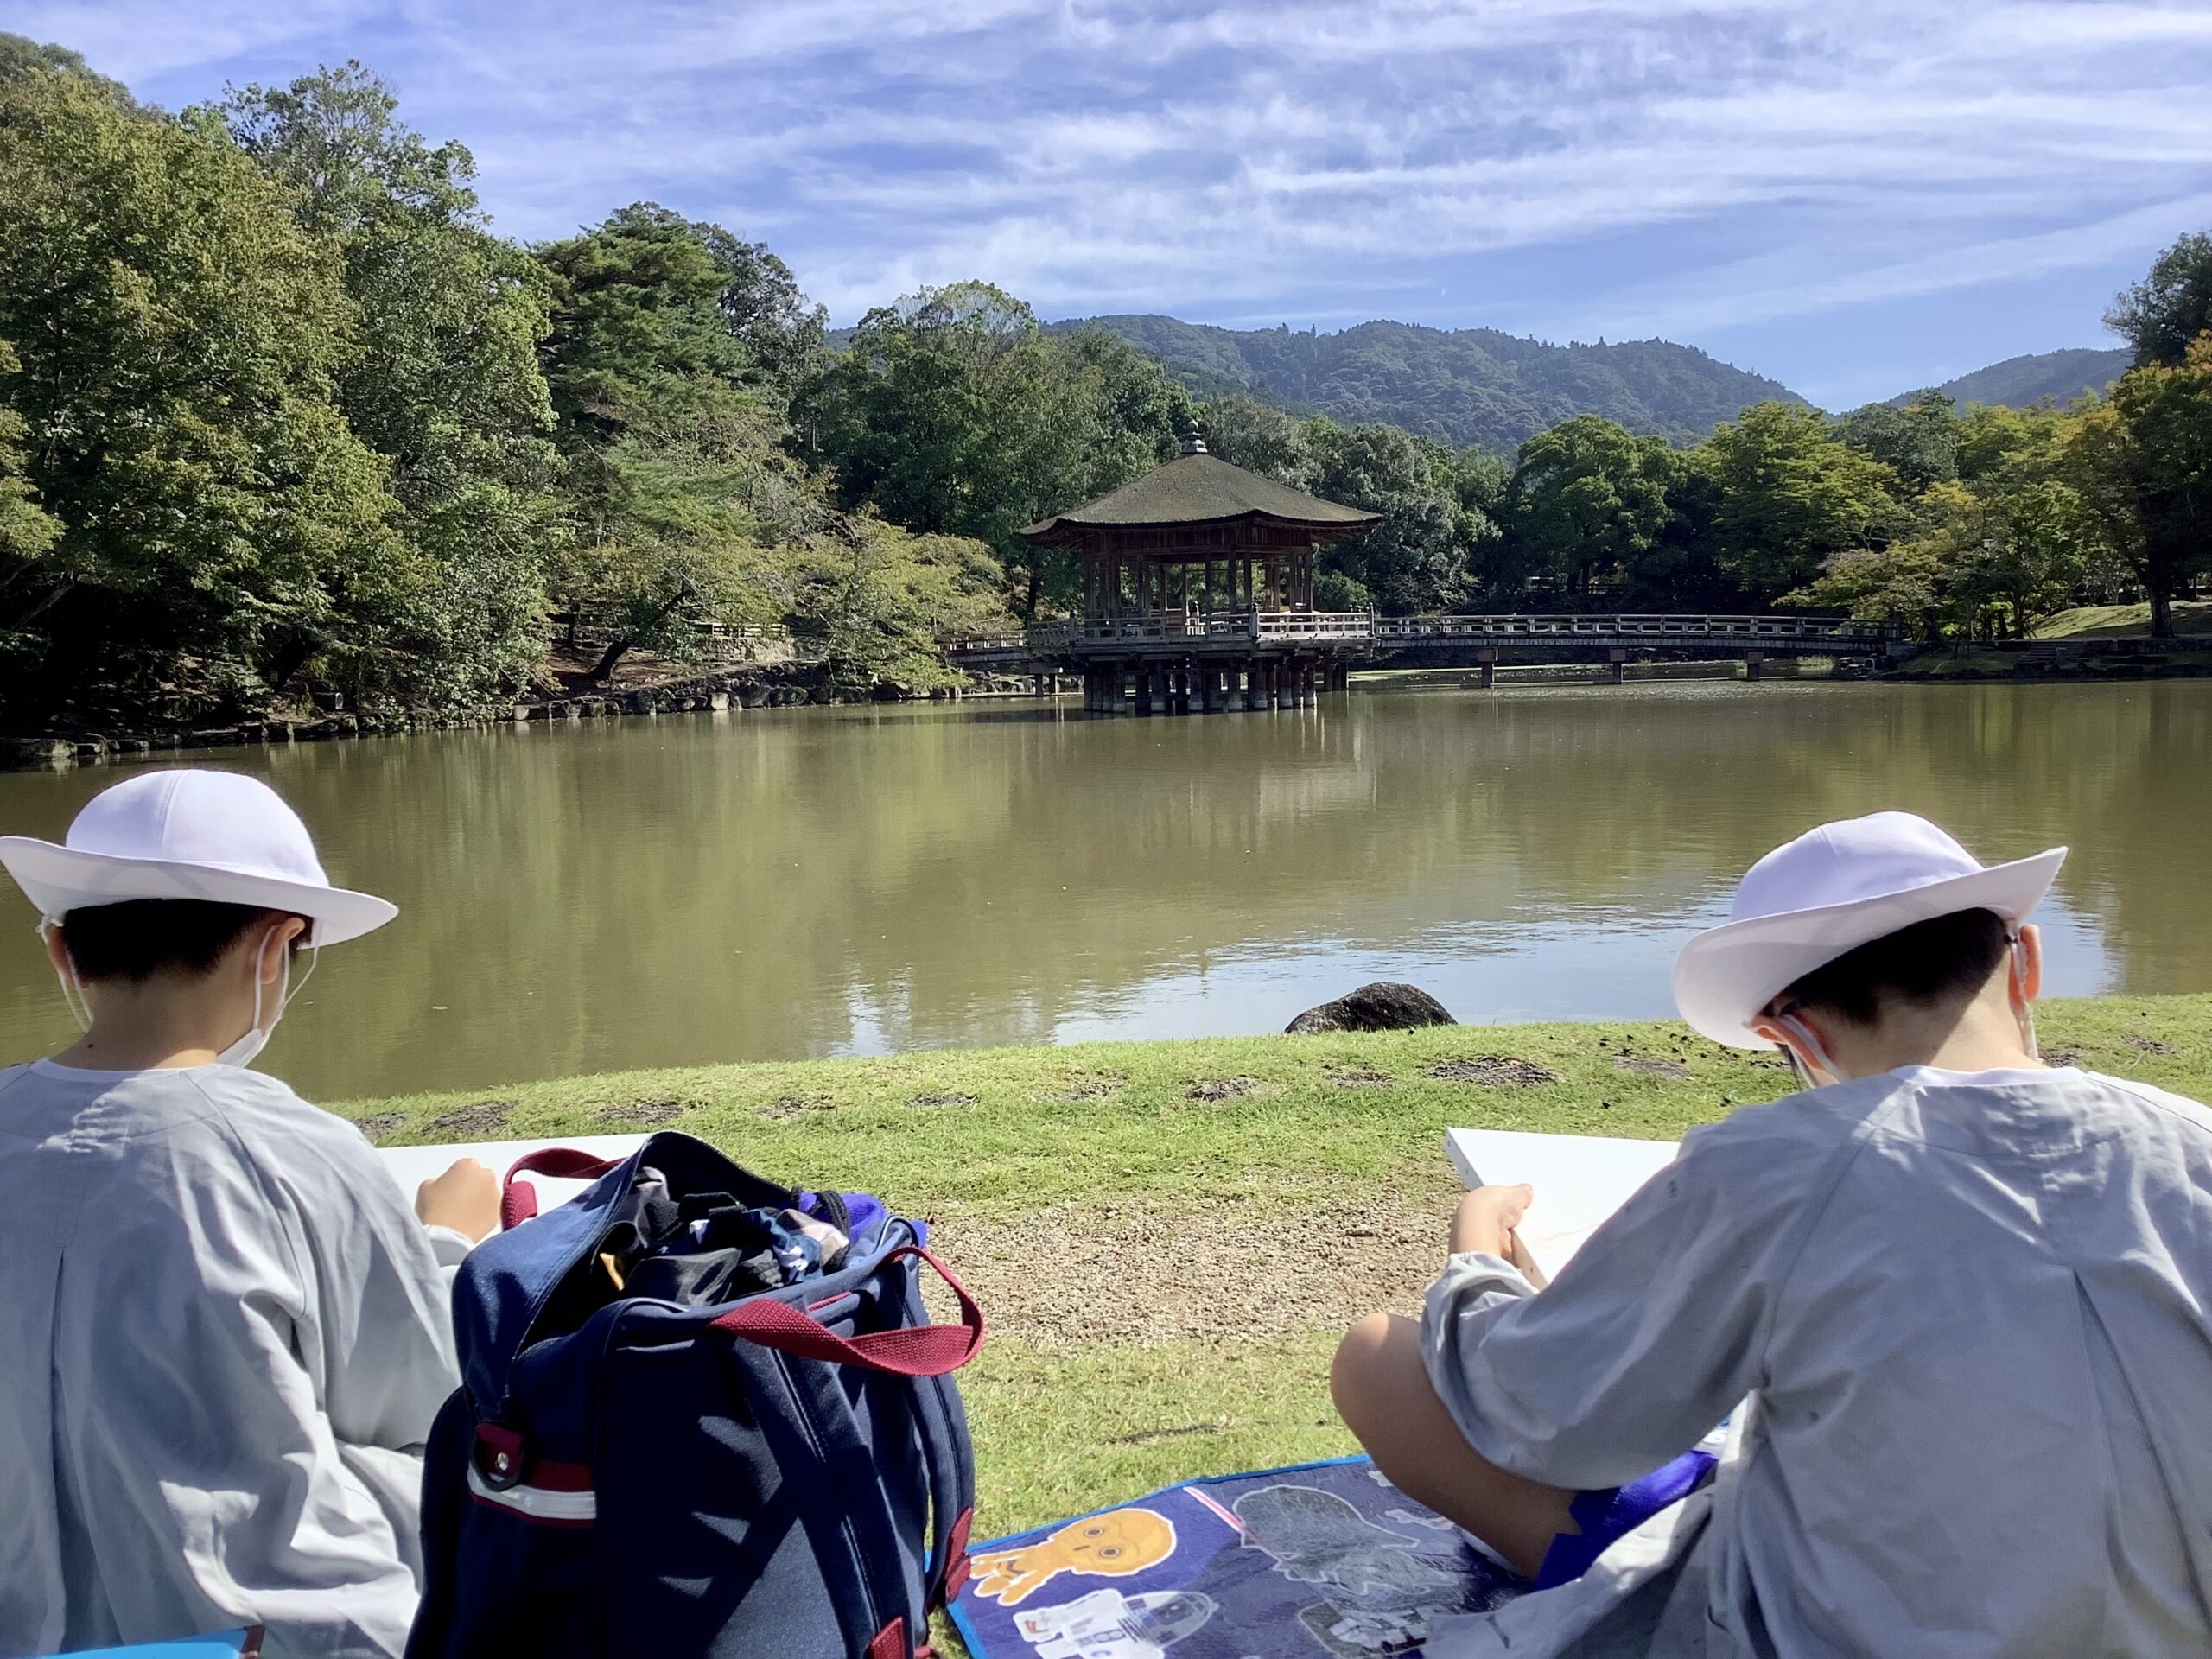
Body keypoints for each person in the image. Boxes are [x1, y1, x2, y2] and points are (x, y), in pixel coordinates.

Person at [1332, 810, 2212, 1656]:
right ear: (2024, 960)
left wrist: (1477, 1259)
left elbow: (1547, 1418)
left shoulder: (1779, 1164)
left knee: (1379, 1361)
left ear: (1788, 1030)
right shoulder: (2192, 1140)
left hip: (1846, 1633)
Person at [0, 769, 502, 1657]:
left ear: (59, 951)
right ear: (275, 949)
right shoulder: (294, 1154)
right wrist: (446, 1247)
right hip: (273, 1639)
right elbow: (428, 1420)